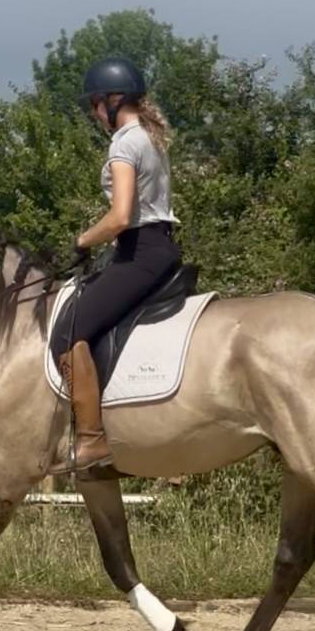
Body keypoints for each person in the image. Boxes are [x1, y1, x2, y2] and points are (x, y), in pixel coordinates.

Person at [56, 56, 180, 470]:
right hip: (156, 248)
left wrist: (82, 240)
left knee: (69, 331)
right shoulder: (149, 135)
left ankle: (91, 440)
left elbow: (121, 215)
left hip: (139, 252)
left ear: (112, 100)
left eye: (94, 104)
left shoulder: (125, 142)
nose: (93, 114)